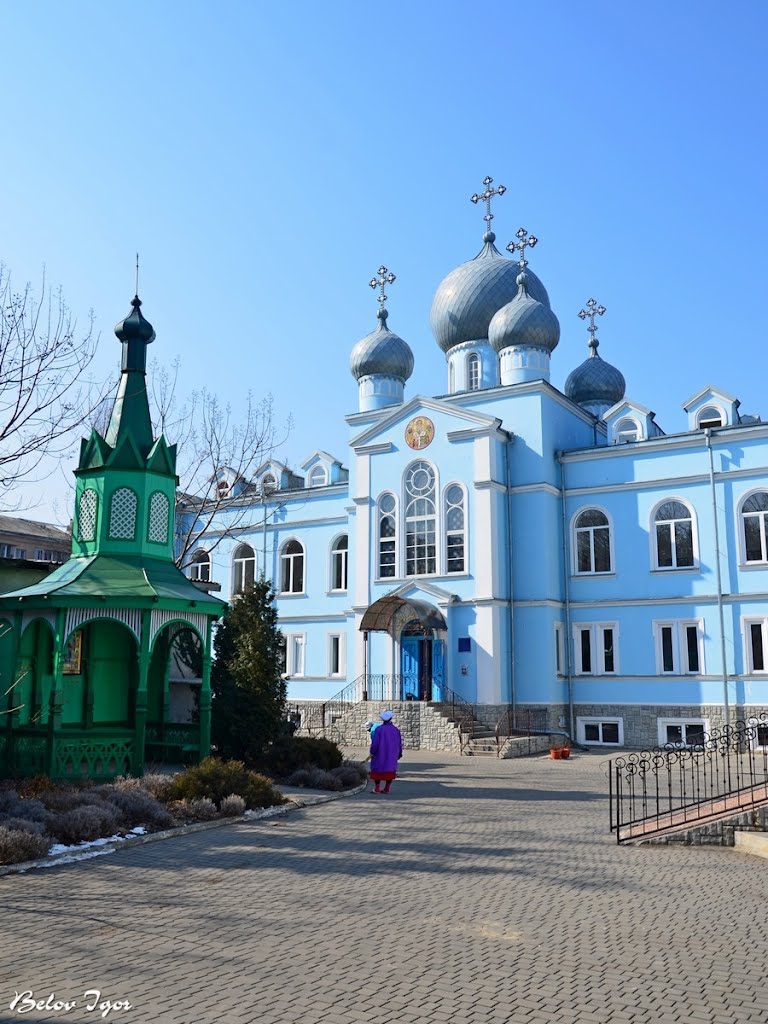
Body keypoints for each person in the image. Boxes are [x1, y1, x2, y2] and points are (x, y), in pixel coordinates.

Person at [369, 710, 403, 794]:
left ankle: (377, 788)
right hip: (392, 754)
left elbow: (375, 743)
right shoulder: (396, 730)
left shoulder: (379, 729)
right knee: (390, 770)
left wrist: (372, 752)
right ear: (391, 718)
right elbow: (399, 743)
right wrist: (399, 753)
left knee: (377, 769)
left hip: (380, 753)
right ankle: (387, 788)